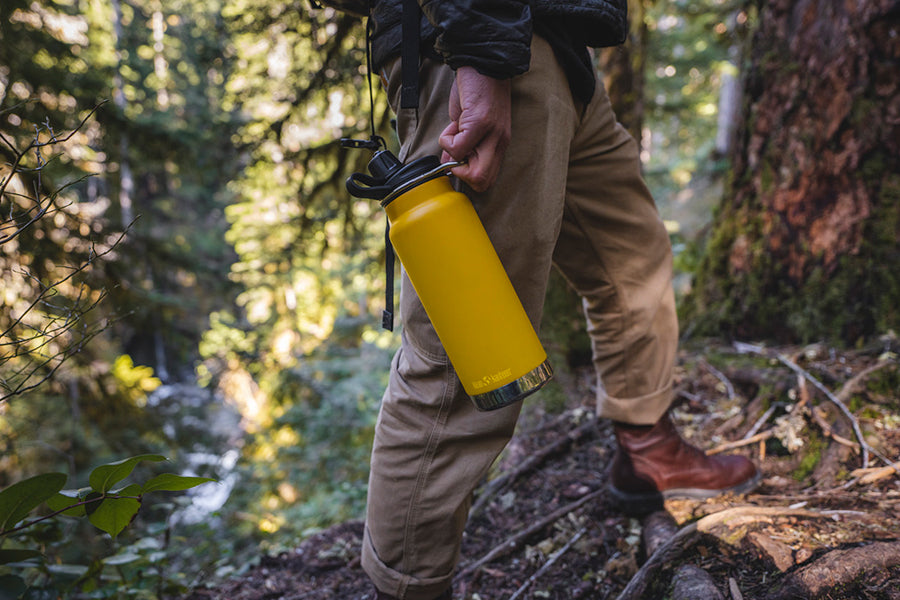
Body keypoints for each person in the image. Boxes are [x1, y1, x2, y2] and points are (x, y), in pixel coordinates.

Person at [359, 1, 760, 598]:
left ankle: (648, 448)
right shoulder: (480, 52)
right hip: (477, 45)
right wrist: (482, 55)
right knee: (464, 358)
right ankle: (405, 586)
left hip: (553, 46)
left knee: (630, 256)